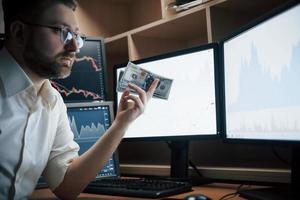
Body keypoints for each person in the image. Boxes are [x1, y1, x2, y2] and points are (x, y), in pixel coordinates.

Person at [0, 0, 159, 199]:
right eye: (62, 31)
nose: (75, 47)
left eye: (76, 36)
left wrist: (121, 124)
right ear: (19, 32)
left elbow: (66, 185)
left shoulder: (53, 101)